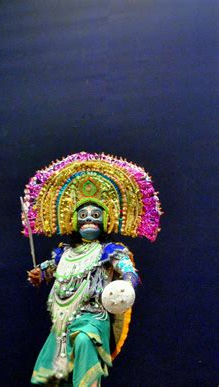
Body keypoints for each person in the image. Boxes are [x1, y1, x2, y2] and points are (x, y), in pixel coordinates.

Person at [21, 152, 162, 387]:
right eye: (83, 215)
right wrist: (37, 275)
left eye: (96, 216)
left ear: (105, 221)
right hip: (63, 322)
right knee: (54, 374)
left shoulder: (109, 251)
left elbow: (128, 271)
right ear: (73, 220)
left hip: (93, 317)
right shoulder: (64, 253)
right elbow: (43, 272)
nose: (89, 220)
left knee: (86, 341)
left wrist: (126, 283)